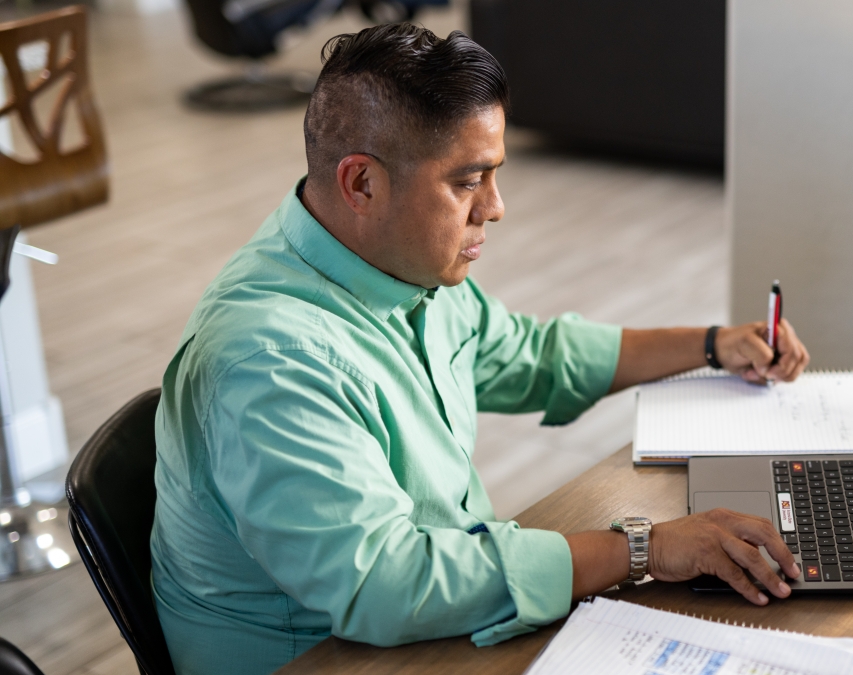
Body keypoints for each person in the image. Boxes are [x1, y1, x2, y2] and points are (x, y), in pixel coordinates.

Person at [150, 23, 811, 675]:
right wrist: (645, 548)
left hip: (426, 629)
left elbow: (532, 355)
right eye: (469, 180)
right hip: (336, 656)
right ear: (362, 185)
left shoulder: (398, 266)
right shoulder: (268, 356)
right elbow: (386, 583)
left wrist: (711, 344)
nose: (494, 207)